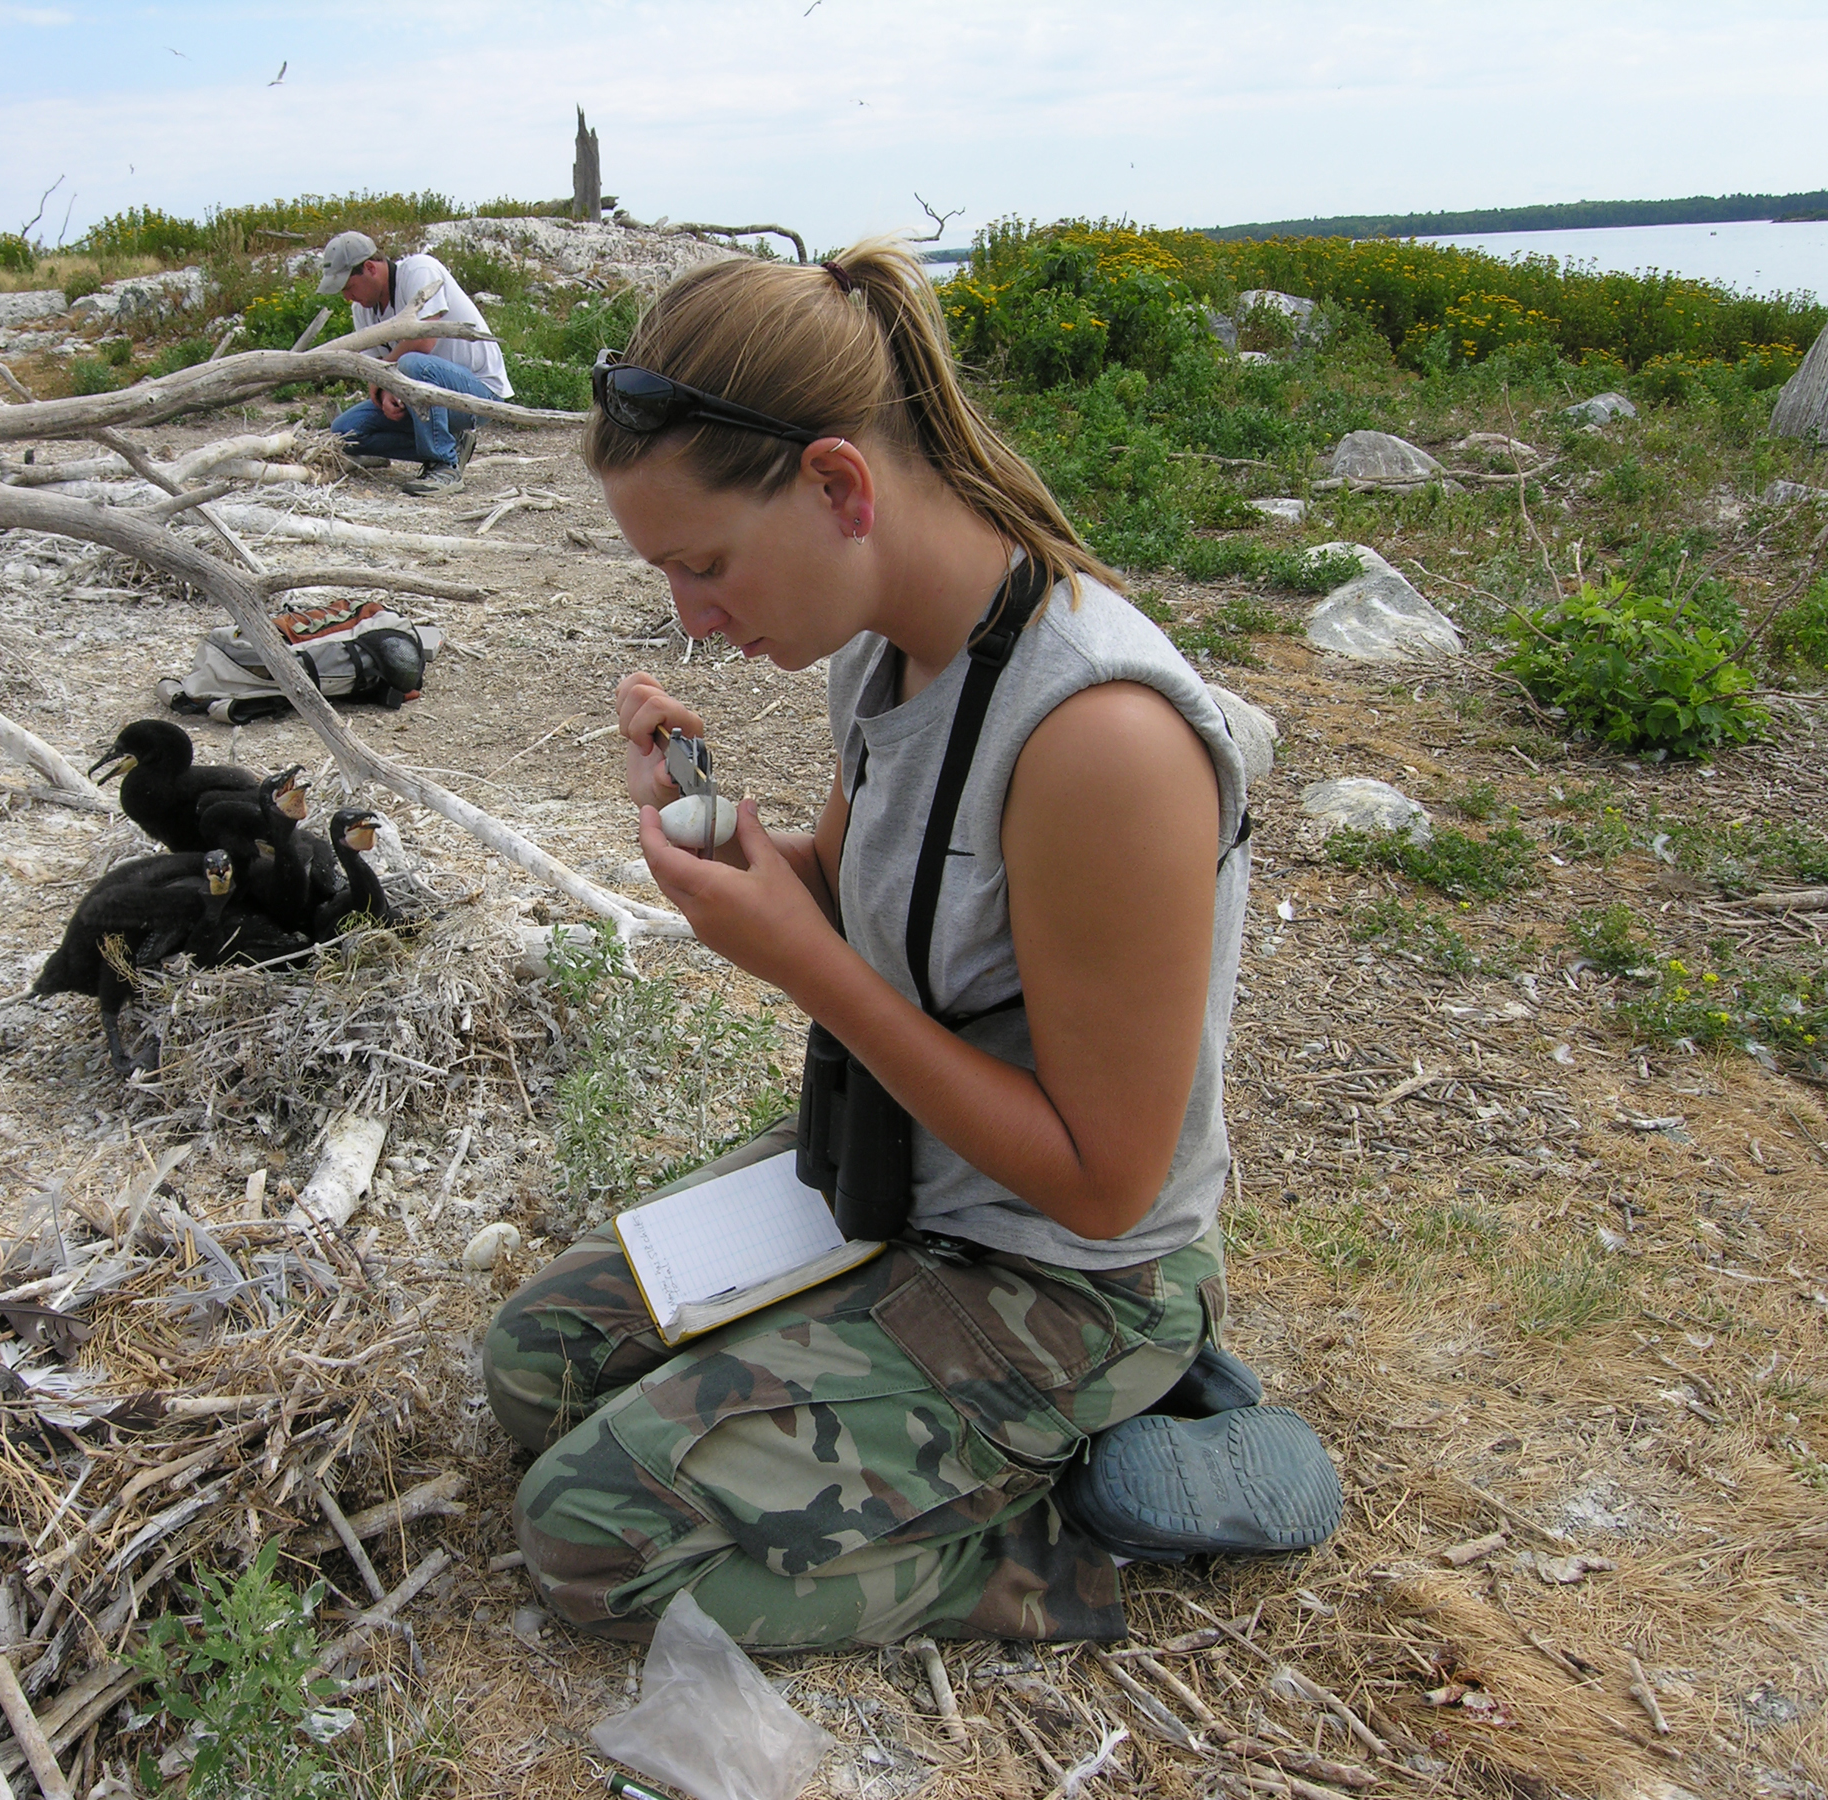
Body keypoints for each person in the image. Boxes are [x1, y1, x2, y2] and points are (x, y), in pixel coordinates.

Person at [480, 240, 1340, 1651]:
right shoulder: (887, 651)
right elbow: (854, 899)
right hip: (893, 1167)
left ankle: (1068, 1528)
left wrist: (798, 962)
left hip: (1066, 1275)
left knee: (588, 1543)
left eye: (704, 566)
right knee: (531, 1372)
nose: (694, 619)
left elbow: (1107, 1186)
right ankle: (942, 1432)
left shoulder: (1098, 737)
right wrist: (737, 853)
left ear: (837, 486)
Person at [316, 230, 512, 494]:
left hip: (479, 392)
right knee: (345, 432)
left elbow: (424, 341)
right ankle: (451, 444)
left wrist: (382, 377)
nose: (347, 297)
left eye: (349, 287)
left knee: (412, 363)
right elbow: (379, 370)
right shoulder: (361, 311)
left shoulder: (420, 269)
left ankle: (444, 466)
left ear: (370, 268)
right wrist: (386, 392)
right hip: (420, 397)